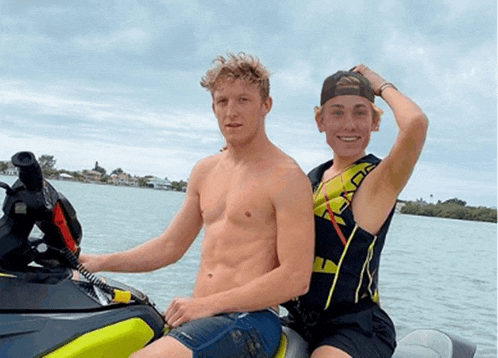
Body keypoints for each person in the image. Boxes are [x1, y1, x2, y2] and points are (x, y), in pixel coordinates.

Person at [79, 52, 315, 358]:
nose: (232, 111)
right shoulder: (205, 170)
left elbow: (295, 278)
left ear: (265, 105)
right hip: (200, 317)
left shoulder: (286, 176)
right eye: (222, 101)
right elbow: (170, 246)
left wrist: (205, 305)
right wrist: (96, 263)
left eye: (244, 100)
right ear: (213, 107)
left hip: (251, 320)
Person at [282, 65, 428, 358]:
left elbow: (415, 123)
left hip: (356, 327)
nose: (349, 124)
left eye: (360, 112)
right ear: (319, 119)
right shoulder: (309, 179)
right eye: (337, 112)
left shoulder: (376, 181)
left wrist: (381, 85)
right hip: (300, 319)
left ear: (375, 121)